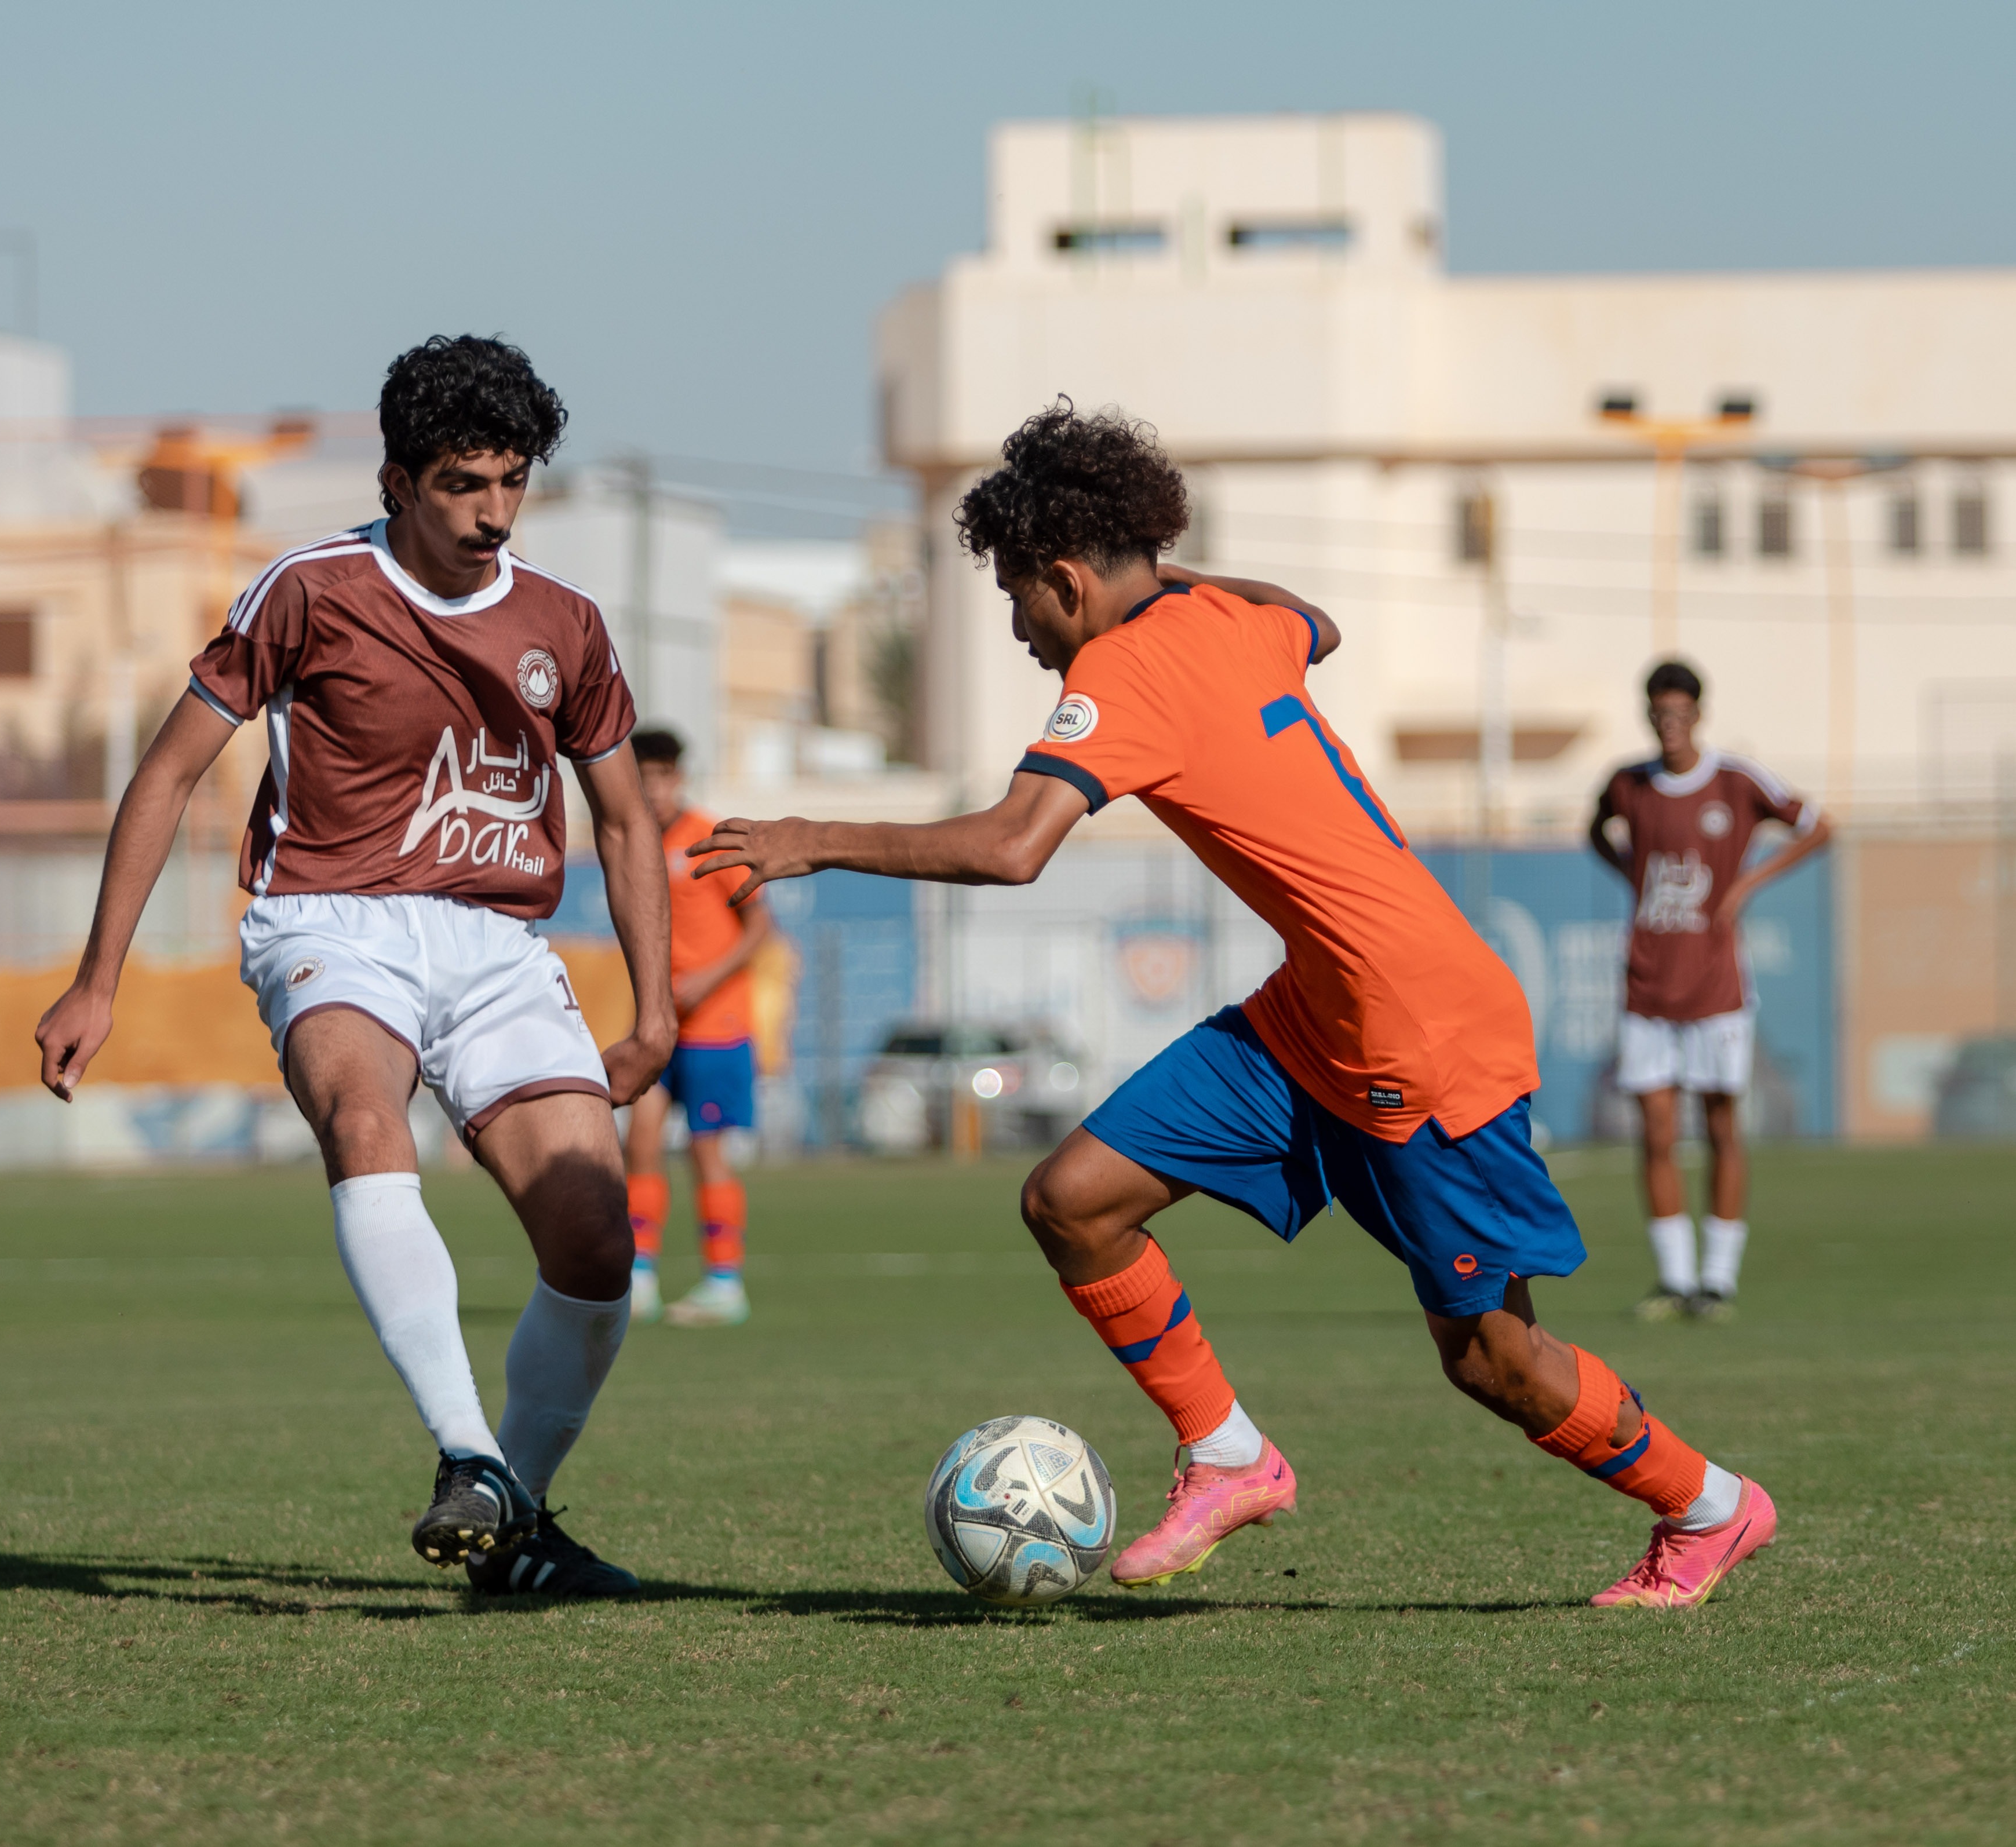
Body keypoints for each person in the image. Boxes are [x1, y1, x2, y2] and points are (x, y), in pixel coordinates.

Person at [690, 403, 1776, 1609]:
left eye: (1015, 597)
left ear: (1062, 577)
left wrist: (813, 837)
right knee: (1072, 1201)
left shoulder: (1123, 671)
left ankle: (1709, 1506)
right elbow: (1319, 621)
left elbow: (1010, 848)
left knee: (1491, 1360)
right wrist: (1162, 572)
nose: (1016, 628)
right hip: (1314, 1011)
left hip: (1417, 1034)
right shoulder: (1228, 615)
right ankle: (1226, 1454)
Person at [35, 335, 675, 1600]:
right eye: (462, 486)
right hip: (329, 919)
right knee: (361, 1115)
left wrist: (653, 1008)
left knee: (596, 1246)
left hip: (495, 945)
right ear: (396, 479)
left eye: (511, 483)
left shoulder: (566, 626)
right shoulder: (309, 590)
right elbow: (167, 772)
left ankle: (512, 1522)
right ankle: (466, 1453)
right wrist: (95, 978)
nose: (493, 515)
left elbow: (622, 820)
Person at [1590, 662, 1831, 1322]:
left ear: (1697, 714)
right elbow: (1595, 828)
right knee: (1656, 1130)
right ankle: (1674, 1277)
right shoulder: (1627, 783)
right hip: (1646, 982)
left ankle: (1717, 1280)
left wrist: (1747, 883)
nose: (1669, 724)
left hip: (1715, 986)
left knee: (1722, 1123)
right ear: (1647, 716)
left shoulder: (1734, 780)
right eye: (1658, 713)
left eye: (1679, 712)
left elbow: (1817, 824)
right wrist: (1627, 876)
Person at [621, 726, 774, 1327]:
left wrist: (710, 977)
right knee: (639, 1139)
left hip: (715, 1019)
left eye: (663, 777)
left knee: (704, 1149)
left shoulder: (709, 840)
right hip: (661, 1022)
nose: (654, 789)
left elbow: (762, 928)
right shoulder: (628, 840)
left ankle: (724, 1281)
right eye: (644, 778)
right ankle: (638, 1276)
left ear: (678, 779)